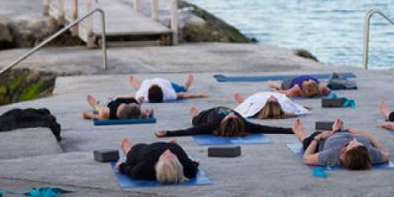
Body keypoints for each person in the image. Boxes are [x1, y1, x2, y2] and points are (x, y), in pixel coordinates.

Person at [291, 118, 389, 170]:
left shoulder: (332, 155)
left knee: (307, 141)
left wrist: (317, 138)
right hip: (343, 133)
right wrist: (367, 136)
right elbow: (386, 154)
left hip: (324, 139)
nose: (355, 140)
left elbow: (306, 158)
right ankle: (336, 129)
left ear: (344, 151)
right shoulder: (370, 153)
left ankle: (299, 133)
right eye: (359, 144)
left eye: (352, 144)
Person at [153, 105, 296, 138]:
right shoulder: (245, 124)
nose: (232, 113)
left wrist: (168, 133)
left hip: (203, 116)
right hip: (212, 113)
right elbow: (266, 128)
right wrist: (290, 130)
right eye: (233, 115)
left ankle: (193, 113)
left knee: (194, 118)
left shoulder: (211, 125)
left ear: (224, 121)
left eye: (230, 115)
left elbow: (189, 131)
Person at [116, 137, 200, 183]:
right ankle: (172, 144)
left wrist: (121, 166)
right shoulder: (189, 168)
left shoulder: (145, 167)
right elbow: (194, 165)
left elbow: (131, 171)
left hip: (145, 150)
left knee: (131, 156)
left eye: (164, 155)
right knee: (176, 149)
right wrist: (195, 164)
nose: (167, 151)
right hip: (172, 146)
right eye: (171, 156)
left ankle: (127, 149)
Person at [129, 74, 209, 104]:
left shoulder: (143, 95)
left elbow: (129, 96)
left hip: (154, 83)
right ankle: (185, 86)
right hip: (165, 84)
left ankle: (133, 81)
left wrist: (116, 97)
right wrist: (201, 95)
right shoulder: (169, 95)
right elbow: (184, 95)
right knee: (182, 89)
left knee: (139, 88)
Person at [230, 91, 312, 119]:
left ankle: (242, 100)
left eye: (270, 99)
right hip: (258, 100)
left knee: (248, 103)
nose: (271, 96)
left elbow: (244, 111)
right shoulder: (284, 104)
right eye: (274, 99)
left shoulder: (258, 105)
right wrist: (303, 108)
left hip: (254, 101)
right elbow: (296, 108)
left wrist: (243, 102)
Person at [81, 94, 154, 120]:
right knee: (133, 99)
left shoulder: (107, 113)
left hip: (108, 104)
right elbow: (147, 112)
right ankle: (113, 96)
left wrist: (88, 115)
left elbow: (95, 116)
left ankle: (96, 104)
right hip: (129, 103)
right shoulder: (134, 105)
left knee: (99, 107)